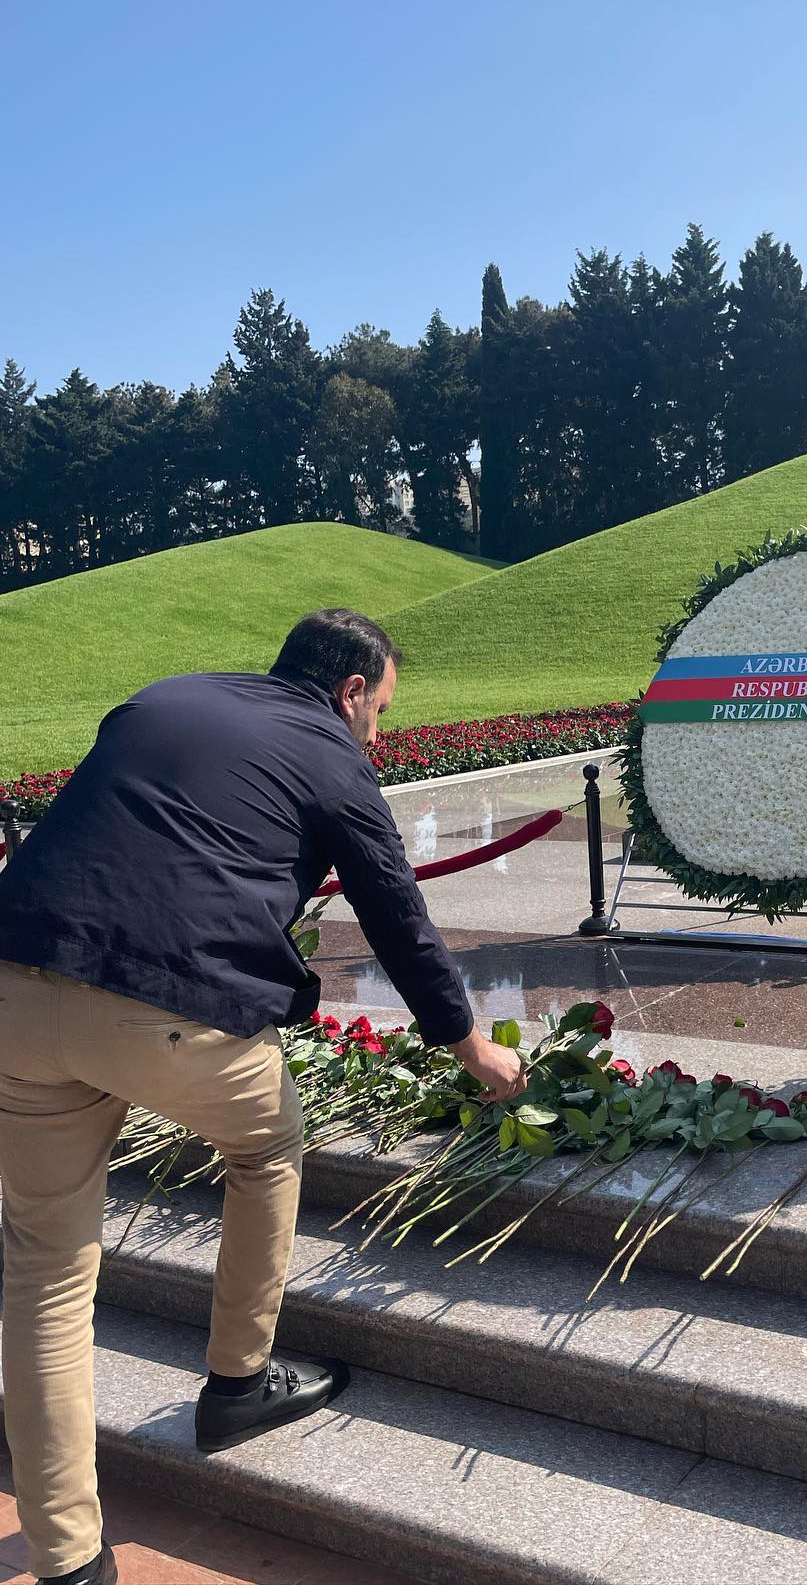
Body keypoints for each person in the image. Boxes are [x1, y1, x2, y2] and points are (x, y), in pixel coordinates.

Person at [0, 609, 525, 1584]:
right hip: (166, 1003)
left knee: (45, 1278)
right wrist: (469, 1046)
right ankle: (239, 1379)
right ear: (351, 690)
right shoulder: (334, 754)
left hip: (14, 987)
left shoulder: (165, 696)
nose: (379, 733)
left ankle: (69, 1559)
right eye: (381, 711)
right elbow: (396, 912)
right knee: (268, 1142)